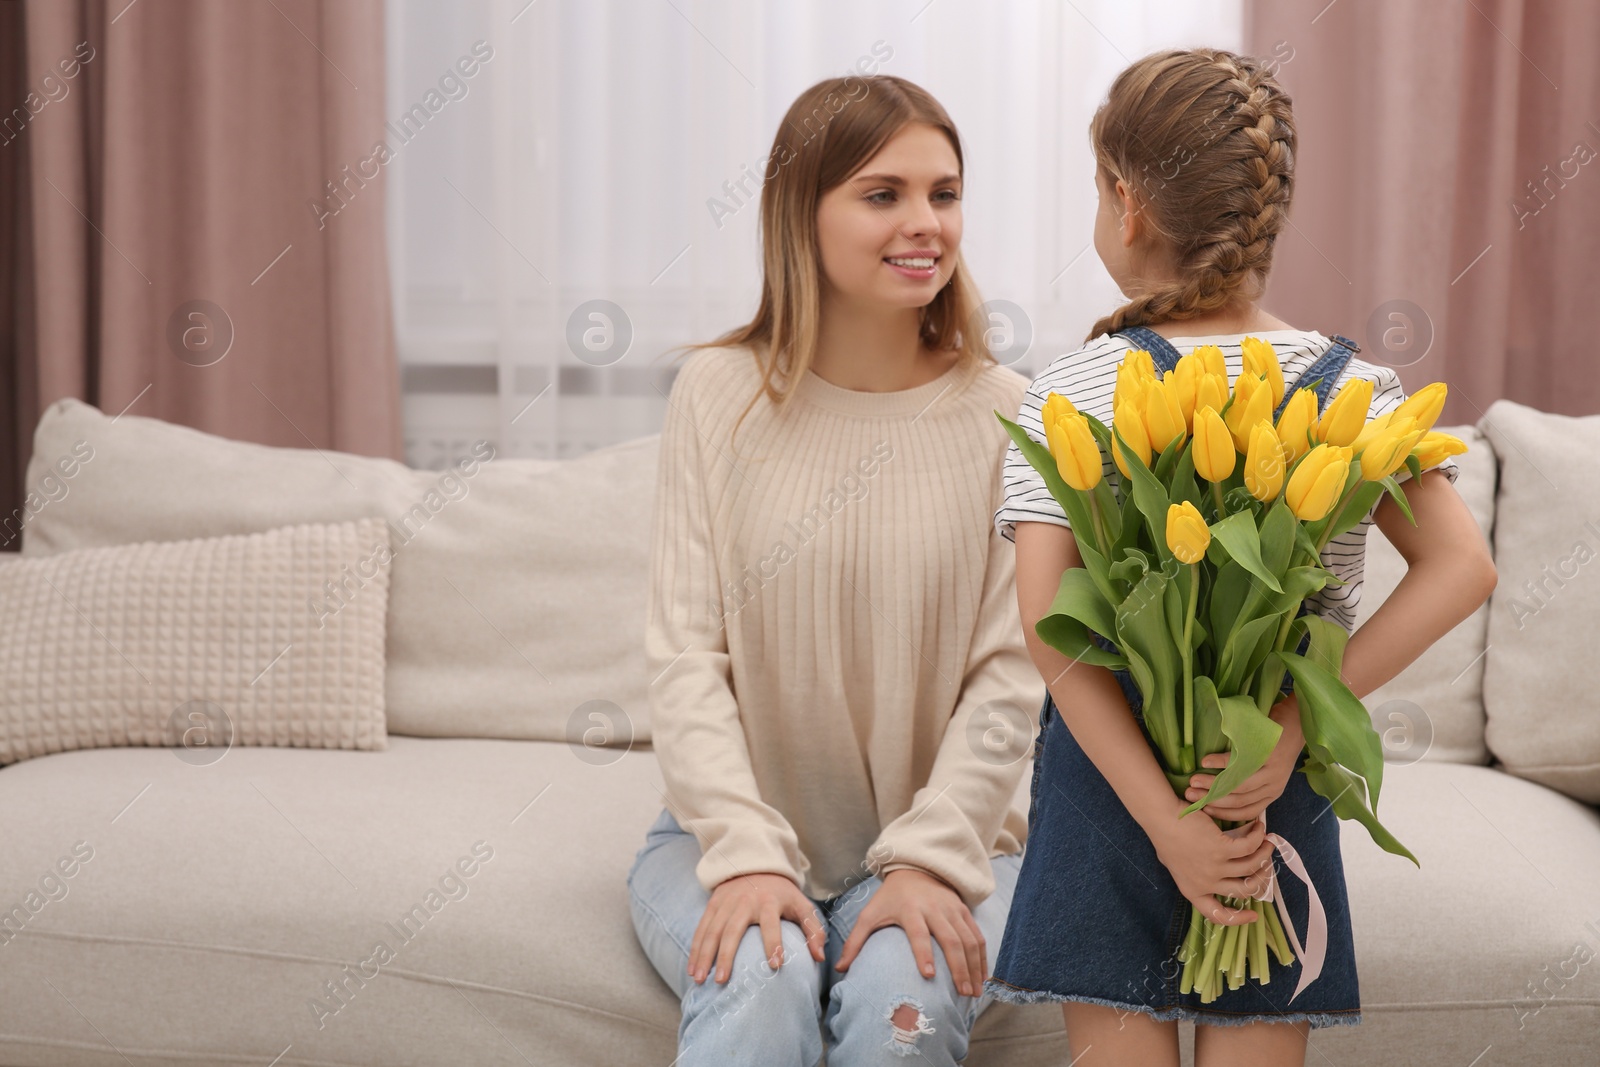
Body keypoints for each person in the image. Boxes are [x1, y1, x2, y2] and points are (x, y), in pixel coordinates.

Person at [982, 47, 1497, 1067]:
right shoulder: (1348, 388)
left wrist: (1160, 819)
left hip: (1109, 783)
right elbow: (1463, 566)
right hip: (1266, 779)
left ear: (1123, 201)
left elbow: (1054, 631)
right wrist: (1289, 727)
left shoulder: (1072, 387)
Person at [627, 74, 1046, 1064]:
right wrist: (743, 859)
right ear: (798, 214)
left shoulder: (1015, 415)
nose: (924, 223)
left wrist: (933, 863)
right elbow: (686, 654)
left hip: (963, 849)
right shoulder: (718, 394)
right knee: (760, 975)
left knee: (904, 1004)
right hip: (721, 840)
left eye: (942, 194)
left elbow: (1014, 671)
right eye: (881, 193)